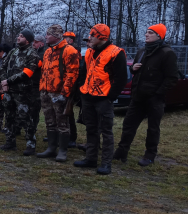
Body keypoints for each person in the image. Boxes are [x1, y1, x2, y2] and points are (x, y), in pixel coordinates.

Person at [114, 24, 178, 166]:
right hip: (138, 97)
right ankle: (122, 151)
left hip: (155, 99)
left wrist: (158, 94)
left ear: (159, 36)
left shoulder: (167, 53)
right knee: (128, 124)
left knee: (153, 128)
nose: (146, 35)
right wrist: (133, 68)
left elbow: (172, 78)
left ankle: (150, 155)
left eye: (150, 33)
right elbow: (134, 69)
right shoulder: (142, 51)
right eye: (147, 32)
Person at [74, 24, 127, 175]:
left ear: (102, 37)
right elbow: (84, 72)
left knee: (106, 131)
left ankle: (106, 163)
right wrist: (82, 89)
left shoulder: (116, 53)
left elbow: (121, 79)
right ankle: (90, 158)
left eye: (92, 35)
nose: (89, 38)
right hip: (88, 96)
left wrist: (110, 97)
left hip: (104, 98)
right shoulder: (90, 52)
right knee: (91, 129)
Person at [36, 25, 80, 162]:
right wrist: (42, 89)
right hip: (46, 92)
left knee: (62, 123)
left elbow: (72, 74)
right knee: (49, 121)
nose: (46, 37)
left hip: (59, 94)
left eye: (48, 34)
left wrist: (64, 94)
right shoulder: (48, 51)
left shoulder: (69, 50)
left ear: (56, 36)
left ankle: (62, 151)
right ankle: (51, 148)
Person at [0, 30, 40, 155]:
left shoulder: (32, 54)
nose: (18, 37)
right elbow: (3, 67)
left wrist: (8, 81)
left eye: (21, 36)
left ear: (27, 40)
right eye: (19, 35)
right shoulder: (13, 51)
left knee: (25, 118)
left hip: (23, 92)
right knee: (9, 116)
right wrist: (4, 83)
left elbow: (27, 73)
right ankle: (10, 142)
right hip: (9, 91)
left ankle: (30, 144)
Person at [63, 31, 81, 147]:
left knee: (68, 112)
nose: (63, 40)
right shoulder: (64, 50)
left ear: (71, 40)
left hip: (71, 86)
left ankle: (72, 137)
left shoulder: (74, 52)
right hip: (65, 85)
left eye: (66, 38)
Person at [32, 35, 46, 140]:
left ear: (42, 44)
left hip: (37, 85)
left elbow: (35, 66)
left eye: (36, 42)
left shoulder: (43, 54)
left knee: (35, 108)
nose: (33, 44)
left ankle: (33, 129)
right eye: (33, 42)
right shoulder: (34, 53)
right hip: (31, 84)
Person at [0, 43, 11, 133]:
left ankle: (7, 126)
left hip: (5, 86)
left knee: (7, 107)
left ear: (2, 51)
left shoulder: (8, 59)